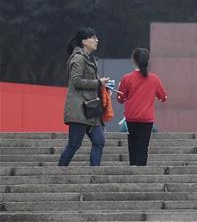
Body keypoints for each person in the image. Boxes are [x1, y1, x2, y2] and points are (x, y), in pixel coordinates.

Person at [59, 28, 110, 166]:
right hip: (78, 109)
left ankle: (93, 174)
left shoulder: (90, 59)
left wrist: (103, 86)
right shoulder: (78, 58)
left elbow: (91, 82)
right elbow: (76, 81)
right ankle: (58, 173)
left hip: (91, 109)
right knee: (74, 144)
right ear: (84, 41)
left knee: (99, 141)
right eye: (93, 37)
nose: (97, 40)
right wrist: (98, 82)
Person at [117, 48, 168, 166]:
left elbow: (120, 99)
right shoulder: (154, 79)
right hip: (147, 118)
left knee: (132, 145)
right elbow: (163, 97)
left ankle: (133, 168)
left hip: (131, 118)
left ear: (134, 60)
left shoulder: (126, 78)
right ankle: (141, 171)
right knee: (143, 147)